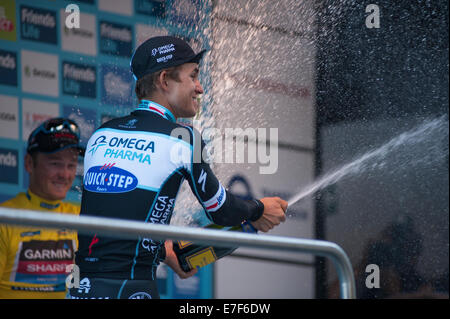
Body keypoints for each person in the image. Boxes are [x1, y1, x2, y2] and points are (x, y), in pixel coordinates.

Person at [69, 36, 288, 299]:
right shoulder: (183, 137)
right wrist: (258, 209)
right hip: (132, 288)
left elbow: (119, 217)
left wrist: (163, 250)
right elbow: (221, 211)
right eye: (193, 76)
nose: (200, 88)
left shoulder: (102, 134)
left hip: (80, 287)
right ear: (164, 81)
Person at [0, 118, 84, 299]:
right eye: (55, 163)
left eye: (71, 165)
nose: (65, 174)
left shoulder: (84, 219)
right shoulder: (5, 219)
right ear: (29, 163)